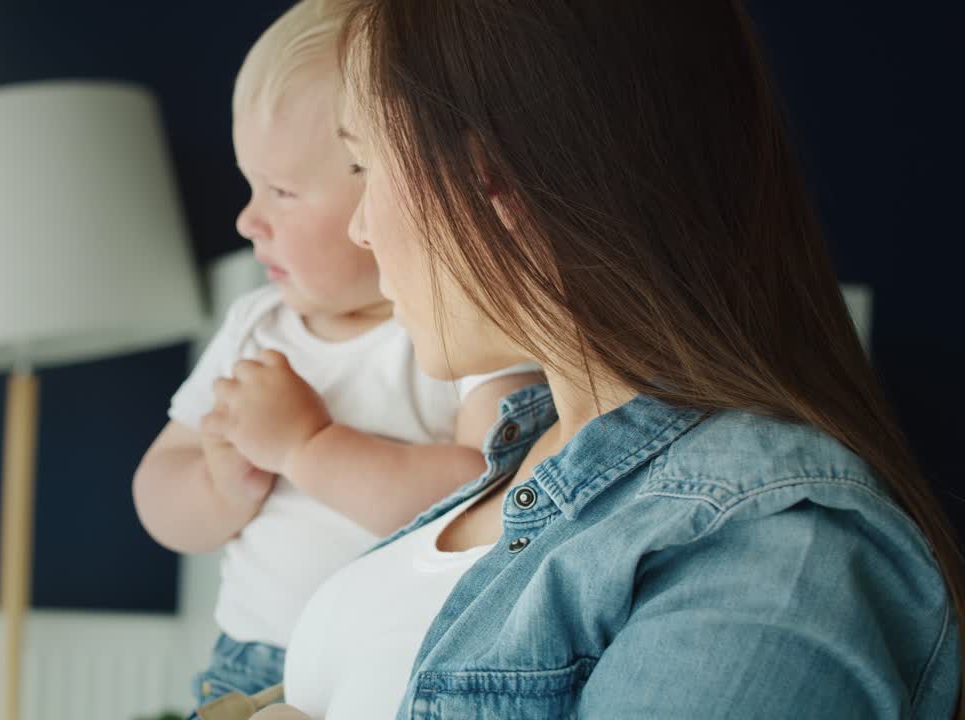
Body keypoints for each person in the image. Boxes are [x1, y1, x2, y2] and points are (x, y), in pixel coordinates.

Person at [228, 1, 965, 717]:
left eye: (365, 166)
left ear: (492, 179)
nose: (360, 230)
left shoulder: (765, 546)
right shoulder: (529, 452)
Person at [131, 0, 538, 710]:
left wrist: (309, 447)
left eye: (282, 191)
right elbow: (157, 491)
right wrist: (222, 485)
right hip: (250, 663)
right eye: (250, 184)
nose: (248, 218)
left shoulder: (467, 327)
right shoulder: (256, 327)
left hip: (400, 663)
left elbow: (485, 493)